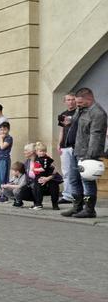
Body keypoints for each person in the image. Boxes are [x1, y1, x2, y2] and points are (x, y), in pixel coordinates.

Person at [61, 88, 107, 218]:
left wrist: (90, 156)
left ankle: (89, 209)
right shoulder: (81, 110)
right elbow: (76, 123)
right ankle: (77, 207)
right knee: (73, 179)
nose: (77, 105)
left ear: (89, 99)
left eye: (80, 102)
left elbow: (96, 135)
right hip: (76, 150)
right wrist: (70, 121)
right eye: (77, 102)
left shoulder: (98, 113)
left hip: (87, 153)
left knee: (87, 181)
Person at [57, 93, 77, 204]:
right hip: (64, 147)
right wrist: (58, 144)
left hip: (75, 146)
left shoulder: (79, 113)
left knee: (77, 172)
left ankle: (79, 195)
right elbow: (61, 130)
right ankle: (67, 195)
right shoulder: (63, 115)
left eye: (72, 99)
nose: (70, 101)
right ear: (65, 102)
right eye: (68, 100)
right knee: (66, 171)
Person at [0, 122, 13, 202]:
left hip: (4, 159)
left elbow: (2, 147)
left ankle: (5, 195)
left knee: (4, 177)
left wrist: (1, 139)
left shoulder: (9, 138)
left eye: (4, 129)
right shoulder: (1, 138)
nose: (2, 131)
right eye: (1, 130)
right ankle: (2, 194)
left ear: (8, 129)